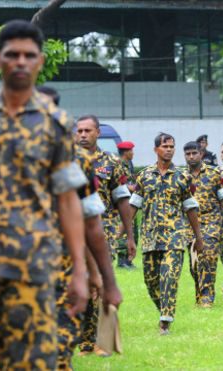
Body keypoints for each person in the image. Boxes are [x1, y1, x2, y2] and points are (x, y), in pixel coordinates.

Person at [0, 20, 89, 369]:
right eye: (12, 55)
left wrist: (79, 270)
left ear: (39, 61)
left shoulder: (56, 123)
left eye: (28, 55)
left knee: (33, 362)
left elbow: (68, 198)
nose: (20, 61)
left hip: (33, 266)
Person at [38, 85, 123, 369]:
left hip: (65, 262)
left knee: (59, 348)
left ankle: (96, 341)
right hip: (10, 271)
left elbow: (90, 220)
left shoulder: (77, 162)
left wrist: (99, 273)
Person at [130, 133, 203, 335]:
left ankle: (165, 322)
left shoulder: (183, 176)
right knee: (151, 281)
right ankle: (163, 309)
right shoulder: (144, 176)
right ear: (156, 149)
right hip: (150, 237)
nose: (169, 149)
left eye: (172, 146)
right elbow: (134, 206)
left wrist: (198, 236)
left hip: (175, 235)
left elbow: (190, 208)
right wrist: (127, 234)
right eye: (165, 146)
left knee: (169, 276)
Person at [75, 114, 135, 355]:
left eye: (88, 131)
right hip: (73, 230)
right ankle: (85, 341)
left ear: (98, 133)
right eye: (79, 131)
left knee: (101, 281)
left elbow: (122, 199)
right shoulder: (67, 161)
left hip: (104, 230)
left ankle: (104, 341)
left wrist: (129, 236)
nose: (82, 135)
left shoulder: (111, 162)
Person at [181, 141, 223, 307]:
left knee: (208, 257)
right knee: (194, 263)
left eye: (194, 153)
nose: (191, 157)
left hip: (211, 222)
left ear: (201, 154)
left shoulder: (214, 174)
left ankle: (207, 296)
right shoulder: (181, 177)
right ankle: (200, 292)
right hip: (189, 224)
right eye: (188, 154)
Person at [116, 140, 137, 269]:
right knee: (122, 231)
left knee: (131, 230)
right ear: (126, 152)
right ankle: (122, 261)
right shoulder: (118, 165)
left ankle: (128, 260)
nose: (133, 153)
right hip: (122, 203)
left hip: (130, 203)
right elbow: (120, 184)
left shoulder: (129, 164)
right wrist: (134, 188)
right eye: (131, 151)